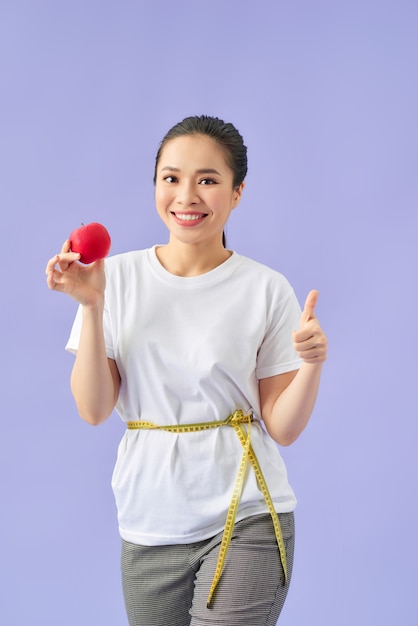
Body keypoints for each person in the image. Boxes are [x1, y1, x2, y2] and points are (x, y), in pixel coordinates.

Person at [46, 115, 327, 626]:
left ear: (237, 193)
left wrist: (311, 365)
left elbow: (283, 427)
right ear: (155, 185)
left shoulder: (265, 289)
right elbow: (93, 409)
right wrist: (90, 306)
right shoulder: (113, 278)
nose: (187, 195)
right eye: (171, 178)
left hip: (247, 515)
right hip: (149, 522)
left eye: (208, 180)